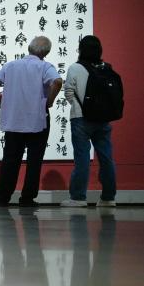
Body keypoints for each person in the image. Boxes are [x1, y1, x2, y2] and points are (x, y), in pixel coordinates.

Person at [0, 36, 62, 207]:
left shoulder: (11, 65)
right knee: (34, 161)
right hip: (38, 120)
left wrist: (0, 100)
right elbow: (57, 82)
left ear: (29, 48)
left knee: (10, 160)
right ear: (46, 52)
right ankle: (27, 198)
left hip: (14, 120)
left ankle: (2, 198)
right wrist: (49, 102)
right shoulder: (45, 67)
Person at [59, 35, 117, 207]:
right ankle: (108, 198)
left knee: (82, 158)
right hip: (103, 119)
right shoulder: (106, 68)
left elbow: (68, 92)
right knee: (106, 158)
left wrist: (81, 107)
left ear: (81, 50)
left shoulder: (75, 68)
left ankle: (78, 197)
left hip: (81, 119)